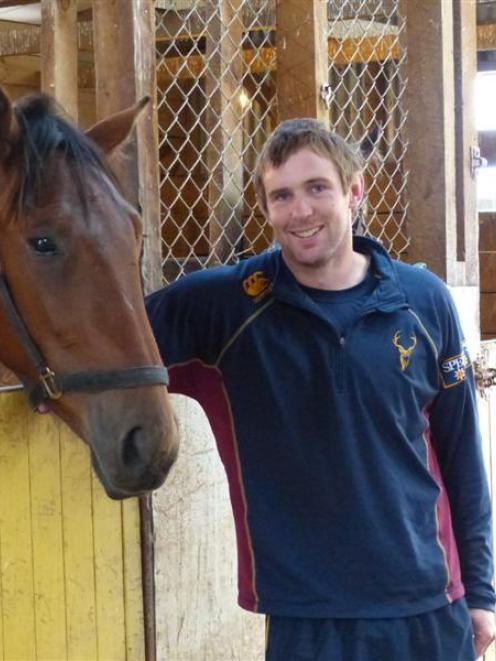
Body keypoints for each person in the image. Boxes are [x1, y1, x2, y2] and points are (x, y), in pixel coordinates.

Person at [146, 118, 496, 660]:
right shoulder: (227, 306)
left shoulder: (423, 301)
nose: (300, 211)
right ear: (265, 208)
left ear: (354, 191)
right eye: (280, 195)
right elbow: (105, 346)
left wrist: (482, 592)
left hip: (427, 602)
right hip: (307, 615)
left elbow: (462, 457)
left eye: (317, 188)